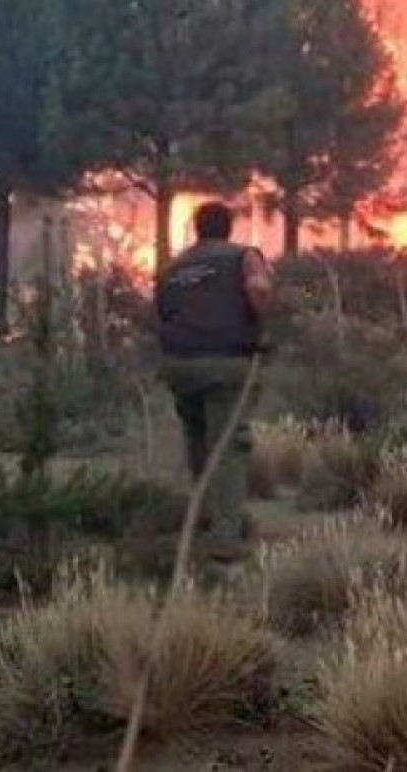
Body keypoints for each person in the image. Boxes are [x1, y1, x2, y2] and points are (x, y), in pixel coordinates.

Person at [154, 201, 274, 559]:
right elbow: (260, 289)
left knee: (198, 442)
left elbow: (161, 311)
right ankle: (225, 539)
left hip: (179, 365)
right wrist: (262, 325)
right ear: (228, 228)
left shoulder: (172, 267)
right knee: (229, 446)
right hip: (226, 362)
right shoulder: (243, 256)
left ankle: (205, 519)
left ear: (197, 229)